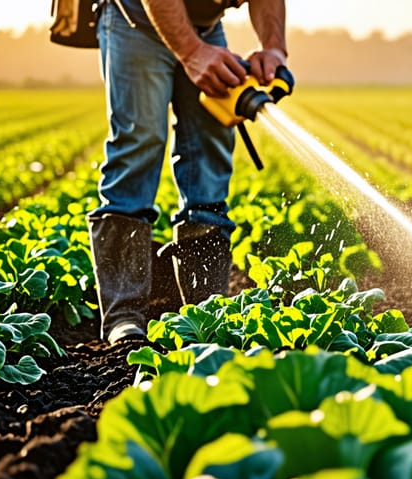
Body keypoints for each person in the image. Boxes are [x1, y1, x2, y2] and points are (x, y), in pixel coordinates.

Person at [88, 0, 287, 344]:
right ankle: (124, 316)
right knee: (139, 143)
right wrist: (193, 53)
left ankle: (204, 312)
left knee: (210, 153)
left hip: (205, 24)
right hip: (135, 18)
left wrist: (274, 49)